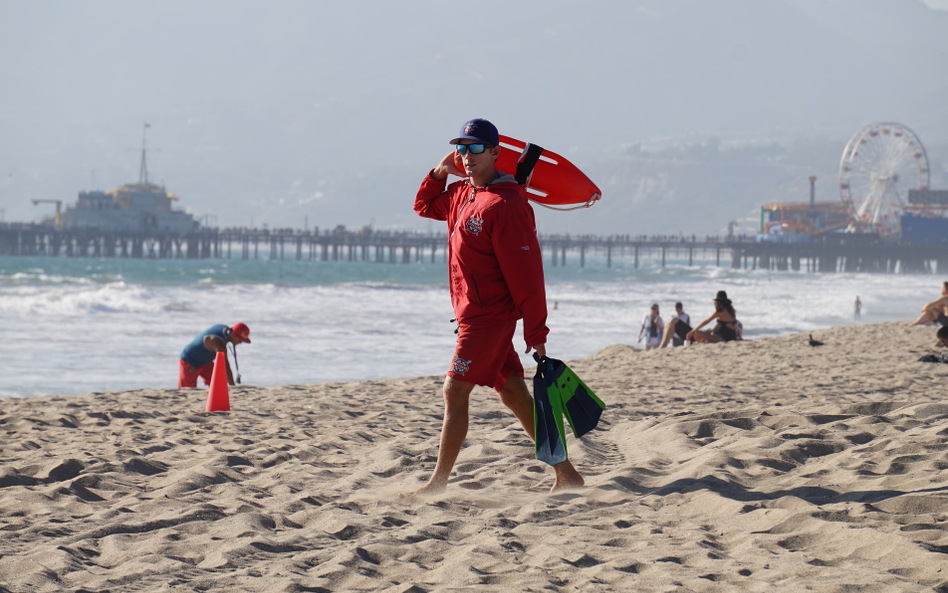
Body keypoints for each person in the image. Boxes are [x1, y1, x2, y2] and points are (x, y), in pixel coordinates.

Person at [406, 117, 584, 497]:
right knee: (514, 393)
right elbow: (423, 205)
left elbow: (528, 275)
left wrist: (536, 331)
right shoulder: (460, 195)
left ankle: (437, 484)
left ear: (495, 154)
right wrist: (439, 171)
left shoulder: (508, 205)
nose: (466, 156)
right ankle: (567, 473)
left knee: (454, 392)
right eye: (460, 149)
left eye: (474, 149)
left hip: (489, 319)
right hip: (473, 314)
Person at [178, 323, 251, 388]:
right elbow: (225, 367)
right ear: (233, 335)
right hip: (189, 362)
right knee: (188, 390)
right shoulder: (219, 344)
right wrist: (233, 387)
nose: (240, 342)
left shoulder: (224, 328)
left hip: (205, 361)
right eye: (240, 340)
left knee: (219, 383)